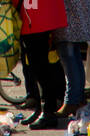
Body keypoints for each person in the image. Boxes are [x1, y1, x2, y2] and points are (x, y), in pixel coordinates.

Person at [15, 0, 66, 129]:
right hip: (35, 17)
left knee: (41, 70)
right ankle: (40, 110)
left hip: (35, 18)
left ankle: (47, 113)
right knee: (36, 69)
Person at [54, 0, 90, 119]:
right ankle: (78, 98)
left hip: (68, 21)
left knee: (69, 59)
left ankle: (71, 101)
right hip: (75, 19)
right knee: (75, 59)